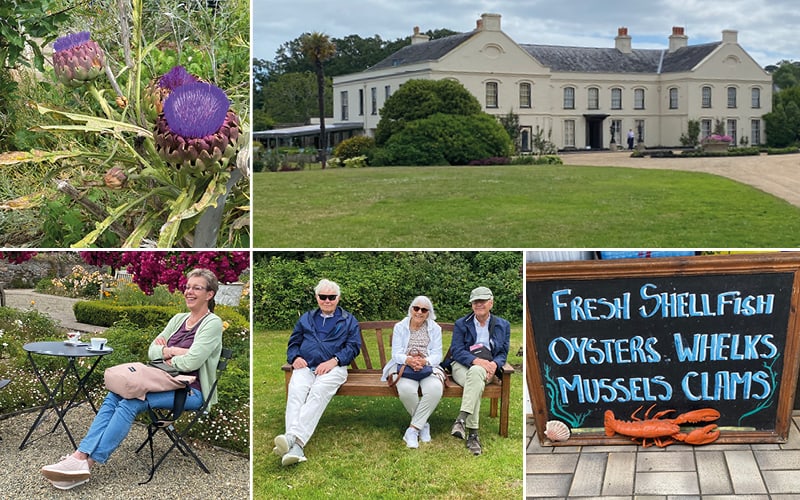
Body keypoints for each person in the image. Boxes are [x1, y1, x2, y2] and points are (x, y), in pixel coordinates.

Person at [40, 268, 223, 490]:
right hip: (160, 382)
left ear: (209, 294)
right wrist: (174, 351)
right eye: (187, 287)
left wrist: (167, 352)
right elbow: (152, 351)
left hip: (190, 391)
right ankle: (79, 455)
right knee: (114, 394)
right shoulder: (179, 319)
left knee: (131, 402)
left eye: (197, 288)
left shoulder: (212, 323)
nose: (189, 292)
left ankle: (86, 462)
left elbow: (193, 362)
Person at [273, 279, 361, 466]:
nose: (327, 300)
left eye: (331, 297)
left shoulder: (348, 320)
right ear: (317, 297)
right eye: (323, 297)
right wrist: (295, 357)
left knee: (318, 393)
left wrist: (334, 360)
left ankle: (292, 440)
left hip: (334, 368)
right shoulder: (306, 318)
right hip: (305, 366)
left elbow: (353, 347)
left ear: (338, 298)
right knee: (296, 391)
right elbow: (293, 343)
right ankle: (295, 447)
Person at [445, 286, 510, 456]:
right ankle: (472, 435)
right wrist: (477, 361)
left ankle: (461, 420)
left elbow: (503, 353)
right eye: (475, 301)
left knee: (476, 375)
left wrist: (494, 365)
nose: (478, 304)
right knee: (475, 377)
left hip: (487, 369)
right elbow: (457, 351)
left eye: (482, 301)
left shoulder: (503, 325)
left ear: (491, 302)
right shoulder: (461, 324)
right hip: (462, 365)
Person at [381, 296, 445, 449]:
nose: (419, 312)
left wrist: (425, 361)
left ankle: (413, 429)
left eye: (424, 310)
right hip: (404, 366)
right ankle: (423, 425)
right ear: (411, 309)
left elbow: (438, 354)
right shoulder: (400, 326)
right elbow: (395, 354)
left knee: (435, 389)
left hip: (427, 366)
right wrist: (409, 360)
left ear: (428, 313)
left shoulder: (435, 328)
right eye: (416, 308)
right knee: (406, 390)